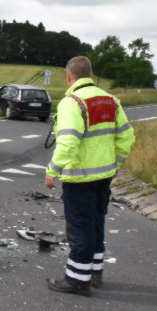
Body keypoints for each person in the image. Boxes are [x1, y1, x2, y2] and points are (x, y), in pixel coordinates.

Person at [46, 56, 135, 295]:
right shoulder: (111, 100)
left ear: (69, 76)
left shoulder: (72, 102)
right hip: (104, 175)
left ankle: (77, 279)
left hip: (80, 177)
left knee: (79, 226)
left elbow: (67, 142)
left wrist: (52, 170)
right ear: (91, 74)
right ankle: (95, 271)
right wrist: (115, 163)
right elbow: (126, 137)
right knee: (96, 222)